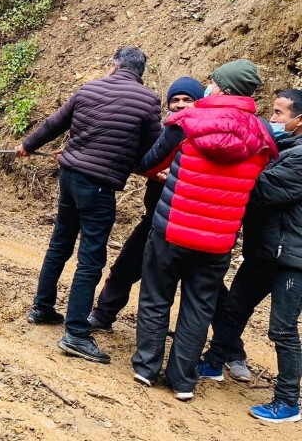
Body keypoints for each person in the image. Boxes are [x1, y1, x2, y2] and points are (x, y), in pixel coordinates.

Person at [132, 59, 277, 401]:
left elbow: (150, 163)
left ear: (222, 88)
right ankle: (183, 381)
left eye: (212, 82)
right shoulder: (263, 134)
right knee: (199, 306)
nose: (208, 86)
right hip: (219, 238)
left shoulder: (186, 121)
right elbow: (260, 178)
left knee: (156, 296)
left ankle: (146, 367)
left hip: (173, 228)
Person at [15, 46, 162, 364]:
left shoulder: (89, 88)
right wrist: (143, 167)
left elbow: (55, 123)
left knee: (60, 243)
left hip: (69, 177)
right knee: (91, 260)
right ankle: (76, 335)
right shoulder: (148, 101)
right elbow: (153, 151)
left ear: (114, 65)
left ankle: (42, 307)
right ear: (140, 73)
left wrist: (27, 145)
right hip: (99, 186)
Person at [198, 89, 302, 423]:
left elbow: (263, 191)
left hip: (293, 259)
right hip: (266, 250)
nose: (272, 120)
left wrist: (235, 167)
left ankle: (288, 402)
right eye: (271, 112)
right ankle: (214, 363)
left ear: (299, 121)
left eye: (279, 114)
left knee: (283, 330)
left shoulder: (300, 157)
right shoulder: (284, 148)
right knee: (234, 309)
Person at [88, 77, 204, 332]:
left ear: (200, 103)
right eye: (175, 100)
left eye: (188, 100)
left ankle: (230, 349)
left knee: (207, 289)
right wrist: (151, 173)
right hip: (154, 218)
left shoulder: (206, 136)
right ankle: (103, 315)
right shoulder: (163, 134)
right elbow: (140, 160)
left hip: (190, 225)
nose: (181, 105)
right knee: (124, 268)